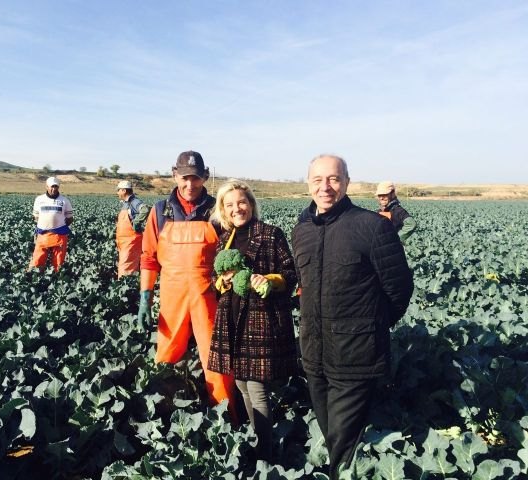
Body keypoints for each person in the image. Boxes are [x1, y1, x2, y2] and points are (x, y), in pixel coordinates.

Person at [292, 155, 413, 480]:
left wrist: (370, 327)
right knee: (332, 436)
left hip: (355, 358)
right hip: (314, 357)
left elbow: (399, 288)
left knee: (343, 447)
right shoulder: (301, 231)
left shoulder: (372, 226)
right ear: (308, 184)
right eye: (318, 179)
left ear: (346, 183)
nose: (325, 187)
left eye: (333, 179)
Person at [137, 151, 236, 416]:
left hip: (209, 296)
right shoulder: (160, 211)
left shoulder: (218, 211)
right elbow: (148, 258)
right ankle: (162, 417)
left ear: (204, 177)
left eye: (195, 178)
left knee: (216, 358)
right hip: (171, 296)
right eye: (184, 178)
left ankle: (226, 416)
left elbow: (231, 255)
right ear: (174, 175)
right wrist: (145, 298)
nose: (189, 184)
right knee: (167, 356)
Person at [207, 180, 298, 462]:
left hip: (259, 321)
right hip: (232, 320)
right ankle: (259, 441)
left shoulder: (271, 234)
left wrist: (269, 281)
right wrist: (222, 281)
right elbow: (216, 281)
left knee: (257, 390)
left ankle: (265, 455)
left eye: (242, 202)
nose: (237, 209)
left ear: (251, 204)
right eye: (230, 205)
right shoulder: (226, 239)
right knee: (243, 385)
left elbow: (291, 274)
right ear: (223, 209)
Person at [28, 177, 73, 272]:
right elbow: (36, 217)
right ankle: (35, 276)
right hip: (43, 234)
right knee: (38, 259)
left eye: (56, 187)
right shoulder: (39, 199)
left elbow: (70, 218)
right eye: (52, 187)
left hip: (59, 235)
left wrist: (59, 226)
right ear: (47, 187)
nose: (54, 189)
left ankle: (56, 277)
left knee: (58, 261)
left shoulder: (65, 201)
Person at [116, 180, 150, 277]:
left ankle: (126, 288)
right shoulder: (126, 203)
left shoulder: (134, 202)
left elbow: (145, 209)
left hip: (131, 240)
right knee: (126, 265)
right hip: (124, 241)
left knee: (126, 266)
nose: (117, 193)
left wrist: (136, 222)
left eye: (118, 190)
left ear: (124, 190)